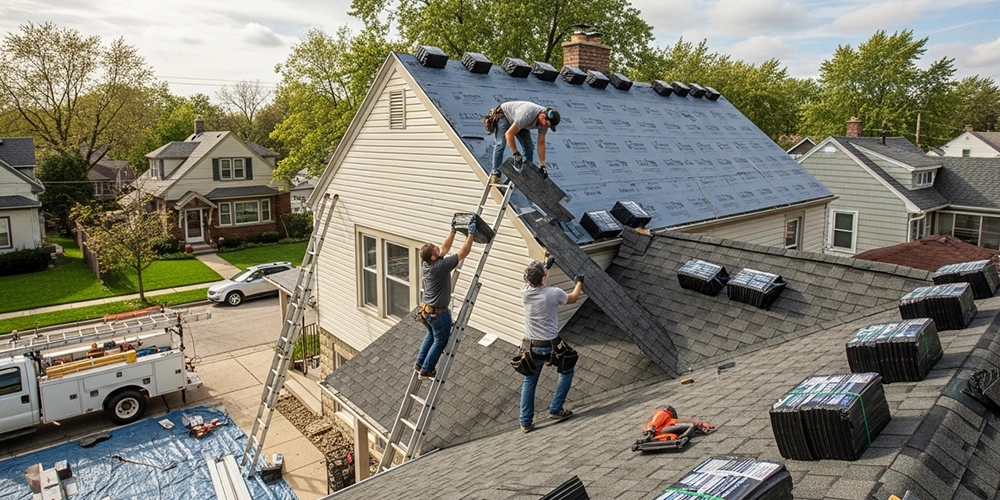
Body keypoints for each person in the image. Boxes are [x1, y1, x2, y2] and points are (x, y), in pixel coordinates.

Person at [518, 260, 583, 433]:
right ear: (544, 279)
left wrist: (545, 267)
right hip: (551, 345)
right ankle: (556, 409)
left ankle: (525, 423)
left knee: (529, 381)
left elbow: (532, 279)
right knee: (567, 369)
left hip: (531, 346)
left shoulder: (525, 292)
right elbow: (573, 298)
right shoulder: (554, 293)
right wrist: (579, 282)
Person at [414, 220, 477, 379]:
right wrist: (471, 234)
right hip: (438, 314)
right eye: (436, 250)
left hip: (427, 311)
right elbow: (463, 253)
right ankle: (427, 369)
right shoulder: (439, 267)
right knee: (440, 341)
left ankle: (420, 363)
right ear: (434, 257)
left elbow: (444, 248)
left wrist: (453, 231)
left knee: (431, 335)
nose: (439, 249)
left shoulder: (428, 263)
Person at [489, 101, 560, 185]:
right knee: (501, 144)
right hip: (505, 115)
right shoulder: (528, 114)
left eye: (548, 126)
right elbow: (509, 134)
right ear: (542, 116)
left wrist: (543, 166)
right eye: (546, 124)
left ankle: (523, 174)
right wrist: (516, 153)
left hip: (520, 122)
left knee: (529, 147)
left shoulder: (545, 123)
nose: (545, 127)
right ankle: (495, 174)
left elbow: (541, 143)